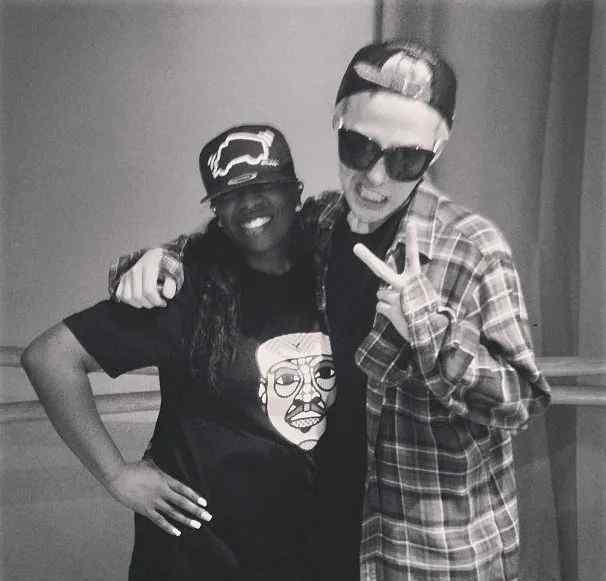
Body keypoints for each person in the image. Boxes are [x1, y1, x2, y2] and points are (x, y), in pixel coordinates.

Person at [107, 40, 551, 581]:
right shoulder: (322, 223)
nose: (376, 177)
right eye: (359, 147)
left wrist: (431, 332)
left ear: (436, 152)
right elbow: (237, 240)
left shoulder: (470, 247)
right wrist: (161, 259)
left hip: (430, 553)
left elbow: (520, 402)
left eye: (406, 159)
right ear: (338, 124)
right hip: (332, 531)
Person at [21, 124, 338, 581]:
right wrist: (115, 475)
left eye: (263, 187)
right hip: (197, 557)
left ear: (294, 192)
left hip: (309, 548)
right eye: (230, 195)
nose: (249, 204)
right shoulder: (188, 290)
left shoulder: (333, 279)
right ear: (217, 212)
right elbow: (50, 357)